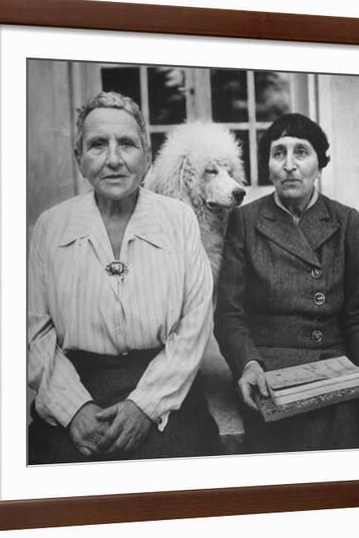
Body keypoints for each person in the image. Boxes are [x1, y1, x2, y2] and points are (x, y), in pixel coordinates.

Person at [28, 91, 221, 463]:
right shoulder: (50, 227)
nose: (114, 159)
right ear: (79, 160)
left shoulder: (178, 220)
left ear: (146, 158)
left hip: (166, 384)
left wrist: (144, 406)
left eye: (128, 144)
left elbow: (195, 324)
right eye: (98, 144)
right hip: (77, 381)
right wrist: (74, 410)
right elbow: (33, 332)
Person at [214, 113, 359, 453]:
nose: (289, 165)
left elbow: (358, 315)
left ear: (320, 163)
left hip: (334, 369)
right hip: (269, 372)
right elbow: (229, 315)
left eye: (301, 152)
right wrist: (249, 364)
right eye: (278, 153)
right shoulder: (245, 221)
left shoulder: (346, 221)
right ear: (269, 165)